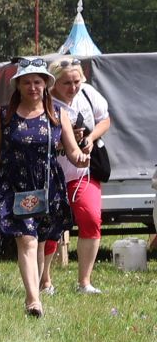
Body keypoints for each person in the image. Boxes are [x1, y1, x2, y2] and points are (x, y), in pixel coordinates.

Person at [0, 57, 81, 318]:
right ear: (18, 86)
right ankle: (33, 300)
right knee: (27, 239)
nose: (33, 87)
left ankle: (41, 284)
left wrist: (83, 157)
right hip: (14, 185)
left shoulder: (58, 115)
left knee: (42, 240)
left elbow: (73, 152)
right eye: (27, 82)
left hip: (46, 186)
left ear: (45, 85)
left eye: (37, 82)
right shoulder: (3, 115)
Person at [48, 57, 112, 295]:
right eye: (67, 83)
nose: (73, 88)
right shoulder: (44, 101)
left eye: (77, 81)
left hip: (83, 173)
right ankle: (45, 282)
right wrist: (65, 138)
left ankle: (84, 282)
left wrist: (91, 137)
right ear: (54, 81)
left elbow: (105, 120)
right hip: (52, 175)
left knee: (91, 218)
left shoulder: (87, 93)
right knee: (50, 227)